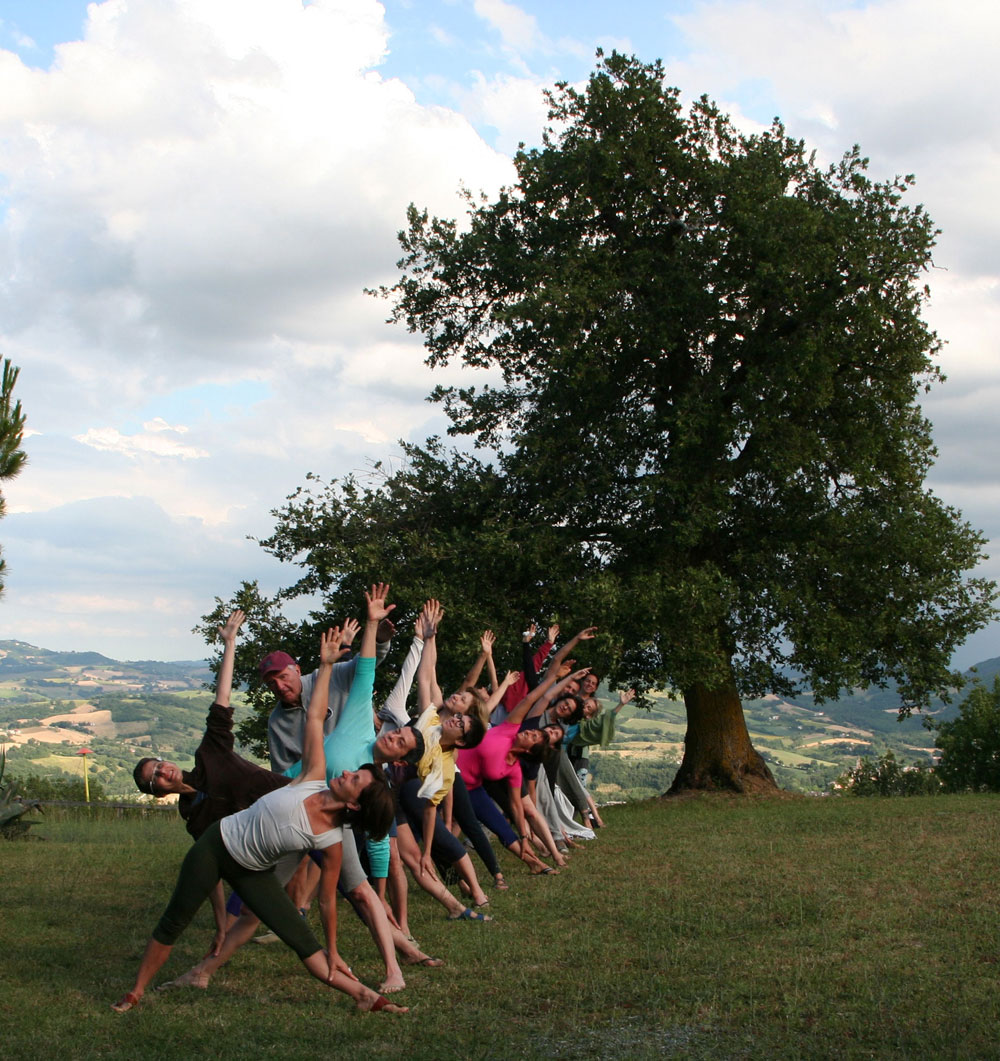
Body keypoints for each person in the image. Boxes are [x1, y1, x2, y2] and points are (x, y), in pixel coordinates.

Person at [111, 625, 407, 1016]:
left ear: (354, 806)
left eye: (355, 780)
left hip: (252, 871)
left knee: (301, 940)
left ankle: (367, 996)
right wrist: (324, 666)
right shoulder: (313, 775)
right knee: (174, 920)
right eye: (354, 772)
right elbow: (315, 718)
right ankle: (135, 992)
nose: (347, 773)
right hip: (217, 848)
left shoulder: (330, 840)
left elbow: (327, 903)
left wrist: (334, 949)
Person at [131, 609, 291, 952]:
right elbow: (212, 874)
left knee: (355, 877)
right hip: (275, 839)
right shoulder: (194, 817)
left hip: (293, 801)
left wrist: (230, 644)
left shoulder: (210, 754)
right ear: (157, 792)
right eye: (155, 778)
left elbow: (222, 699)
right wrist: (220, 926)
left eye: (159, 765)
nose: (163, 772)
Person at [264, 616, 394, 774]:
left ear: (297, 670)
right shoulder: (277, 722)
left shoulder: (330, 676)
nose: (279, 686)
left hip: (364, 775)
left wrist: (378, 641)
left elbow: (363, 666)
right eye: (271, 683)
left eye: (283, 677)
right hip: (320, 790)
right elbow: (282, 771)